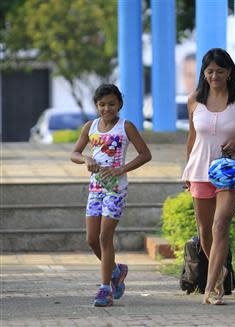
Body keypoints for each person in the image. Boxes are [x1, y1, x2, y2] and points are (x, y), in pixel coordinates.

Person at [182, 48, 235, 305]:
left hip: (231, 171)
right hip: (200, 169)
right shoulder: (195, 99)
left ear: (229, 72)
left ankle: (211, 287)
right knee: (205, 231)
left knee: (221, 225)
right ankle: (221, 272)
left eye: (220, 71)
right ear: (204, 74)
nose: (215, 75)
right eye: (210, 71)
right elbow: (192, 138)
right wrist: (187, 169)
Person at [70, 84, 152, 307]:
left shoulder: (126, 127)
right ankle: (117, 270)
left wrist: (122, 169)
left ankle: (105, 288)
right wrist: (86, 159)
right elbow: (74, 153)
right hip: (95, 189)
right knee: (91, 239)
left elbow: (146, 154)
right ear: (97, 106)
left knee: (105, 237)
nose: (107, 108)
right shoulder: (91, 127)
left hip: (116, 189)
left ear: (119, 105)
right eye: (102, 104)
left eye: (112, 104)